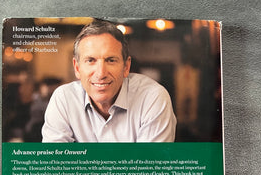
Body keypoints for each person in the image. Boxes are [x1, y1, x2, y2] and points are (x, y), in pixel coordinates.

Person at [42, 20, 177, 142]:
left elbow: (149, 161)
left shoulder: (152, 97)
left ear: (126, 67)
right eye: (90, 60)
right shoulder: (64, 99)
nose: (101, 74)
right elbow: (55, 160)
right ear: (77, 68)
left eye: (111, 60)